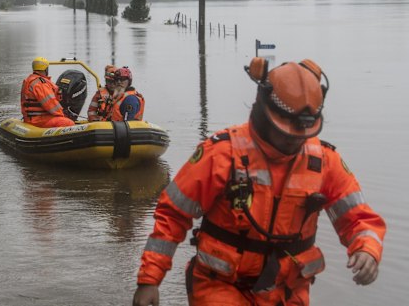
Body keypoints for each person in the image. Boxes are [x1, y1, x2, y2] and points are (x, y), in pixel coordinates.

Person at [132, 58, 386, 306]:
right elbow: (173, 215)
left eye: (300, 136)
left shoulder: (323, 162)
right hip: (220, 286)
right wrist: (150, 280)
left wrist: (367, 249)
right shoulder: (222, 153)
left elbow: (359, 218)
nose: (293, 142)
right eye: (285, 134)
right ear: (265, 113)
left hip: (288, 291)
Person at [20, 56, 75, 128]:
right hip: (39, 120)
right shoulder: (41, 84)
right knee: (69, 123)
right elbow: (51, 105)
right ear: (46, 69)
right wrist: (63, 116)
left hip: (30, 119)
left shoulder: (28, 80)